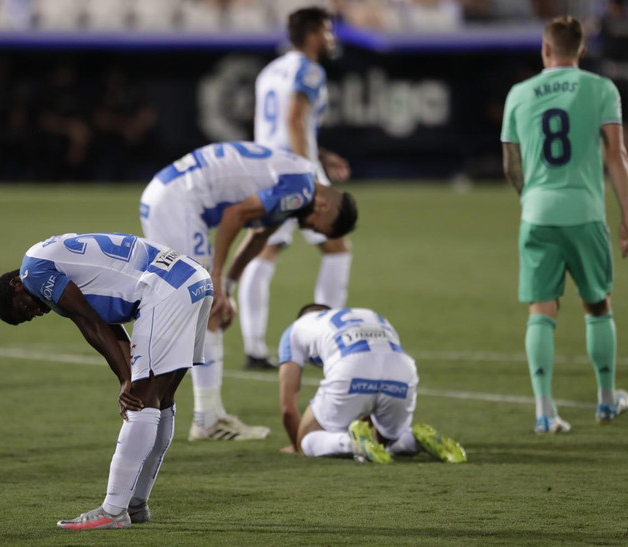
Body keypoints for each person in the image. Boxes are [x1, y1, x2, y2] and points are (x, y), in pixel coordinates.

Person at [0, 233, 213, 529]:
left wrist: (126, 380)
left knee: (141, 401)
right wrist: (128, 375)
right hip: (194, 280)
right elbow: (106, 322)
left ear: (17, 283)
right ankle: (135, 506)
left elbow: (89, 322)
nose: (39, 311)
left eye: (27, 307)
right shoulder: (53, 264)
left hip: (166, 290)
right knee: (160, 400)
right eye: (32, 316)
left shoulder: (34, 272)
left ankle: (113, 510)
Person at [140, 141, 358, 441]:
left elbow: (258, 236)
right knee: (205, 304)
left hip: (167, 194)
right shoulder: (300, 192)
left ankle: (196, 412)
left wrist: (227, 285)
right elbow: (234, 216)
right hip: (179, 202)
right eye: (319, 227)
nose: (312, 229)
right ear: (324, 207)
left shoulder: (300, 180)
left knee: (192, 304)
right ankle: (207, 420)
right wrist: (216, 279)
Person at [501, 16, 628, 434]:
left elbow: (510, 163)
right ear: (580, 50)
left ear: (545, 49)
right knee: (598, 305)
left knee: (541, 310)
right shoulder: (601, 89)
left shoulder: (519, 94)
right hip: (586, 212)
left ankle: (544, 411)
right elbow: (617, 156)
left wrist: (530, 197)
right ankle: (607, 400)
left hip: (537, 213)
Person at [240, 6, 353, 371]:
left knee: (264, 251)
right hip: (294, 169)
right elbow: (293, 118)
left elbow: (282, 125)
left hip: (265, 167)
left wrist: (320, 150)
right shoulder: (310, 69)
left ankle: (254, 348)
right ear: (313, 33)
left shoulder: (270, 70)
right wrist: (310, 176)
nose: (332, 37)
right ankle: (328, 339)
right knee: (337, 246)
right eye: (328, 30)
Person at [277, 304, 466, 464]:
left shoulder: (295, 329)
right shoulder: (371, 315)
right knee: (387, 440)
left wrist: (296, 444)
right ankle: (413, 439)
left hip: (351, 367)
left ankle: (350, 443)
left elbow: (288, 408)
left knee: (307, 439)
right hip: (402, 369)